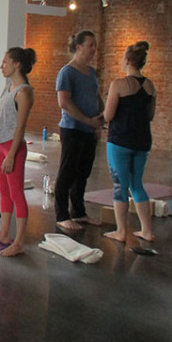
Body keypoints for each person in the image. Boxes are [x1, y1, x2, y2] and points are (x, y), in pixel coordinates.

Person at [0, 47, 37, 257]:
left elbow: (20, 126)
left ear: (17, 64)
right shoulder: (7, 88)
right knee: (4, 191)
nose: (1, 66)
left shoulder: (24, 92)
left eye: (5, 62)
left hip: (12, 147)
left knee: (16, 193)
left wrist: (12, 154)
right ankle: (4, 233)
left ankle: (19, 241)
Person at [102, 41, 156, 242]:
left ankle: (121, 231)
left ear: (126, 60)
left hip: (120, 140)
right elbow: (150, 115)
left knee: (120, 185)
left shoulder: (118, 84)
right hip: (142, 141)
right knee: (136, 184)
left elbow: (108, 115)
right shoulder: (150, 86)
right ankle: (147, 230)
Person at [54, 30, 105, 232]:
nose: (94, 49)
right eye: (90, 45)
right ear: (79, 47)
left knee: (83, 172)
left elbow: (96, 96)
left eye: (95, 46)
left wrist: (102, 115)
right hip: (72, 129)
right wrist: (87, 120)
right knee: (68, 171)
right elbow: (64, 102)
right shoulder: (67, 72)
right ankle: (62, 215)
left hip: (89, 130)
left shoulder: (91, 73)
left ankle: (78, 211)